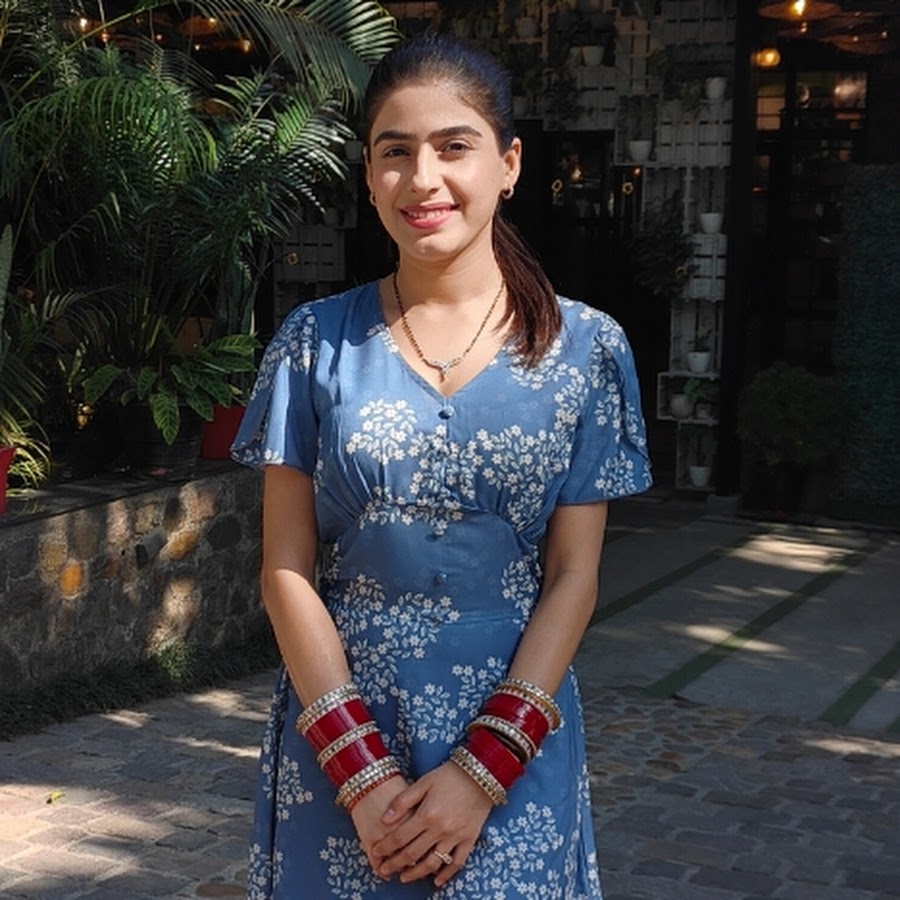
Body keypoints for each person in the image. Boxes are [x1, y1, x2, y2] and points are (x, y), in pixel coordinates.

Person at [231, 31, 652, 899]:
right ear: (368, 175)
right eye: (396, 152)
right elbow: (284, 569)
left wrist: (483, 770)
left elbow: (574, 576)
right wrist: (360, 773)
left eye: (454, 146)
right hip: (342, 732)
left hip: (514, 737)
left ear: (509, 164)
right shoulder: (314, 343)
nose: (423, 179)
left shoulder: (585, 349)